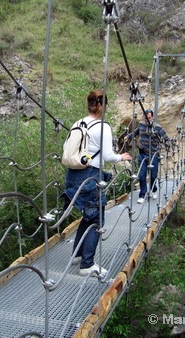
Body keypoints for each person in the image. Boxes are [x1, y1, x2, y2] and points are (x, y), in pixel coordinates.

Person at [61, 90, 132, 277]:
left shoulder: (78, 123)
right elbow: (108, 156)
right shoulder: (103, 127)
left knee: (88, 215)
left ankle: (77, 254)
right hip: (90, 175)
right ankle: (87, 264)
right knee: (97, 218)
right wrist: (121, 157)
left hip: (72, 174)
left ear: (89, 104)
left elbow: (67, 148)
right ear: (102, 106)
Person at [125, 109, 171, 204]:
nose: (147, 119)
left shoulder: (158, 128)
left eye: (149, 117)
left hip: (153, 154)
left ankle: (153, 189)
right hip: (142, 153)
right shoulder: (141, 124)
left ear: (152, 117)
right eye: (146, 117)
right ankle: (142, 195)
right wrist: (128, 136)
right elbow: (136, 132)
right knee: (142, 175)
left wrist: (167, 145)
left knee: (153, 176)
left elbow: (167, 139)